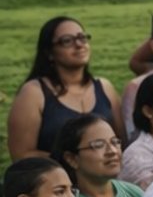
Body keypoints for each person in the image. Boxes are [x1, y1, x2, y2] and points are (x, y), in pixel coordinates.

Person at [8, 17, 119, 161]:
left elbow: (121, 139)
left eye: (82, 38)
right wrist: (77, 162)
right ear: (49, 53)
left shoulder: (105, 87)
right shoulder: (34, 92)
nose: (79, 45)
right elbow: (21, 154)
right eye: (67, 41)